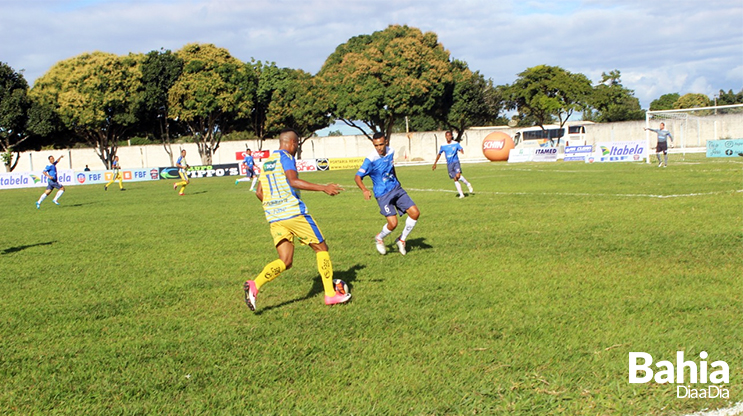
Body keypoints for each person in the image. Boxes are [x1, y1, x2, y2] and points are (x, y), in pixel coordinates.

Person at [243, 129, 350, 312]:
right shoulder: (286, 157)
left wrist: (275, 207)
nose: (296, 148)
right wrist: (323, 187)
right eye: (297, 144)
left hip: (274, 217)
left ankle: (255, 285)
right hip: (294, 214)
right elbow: (293, 181)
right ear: (292, 143)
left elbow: (259, 192)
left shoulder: (267, 161)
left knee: (285, 261)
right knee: (321, 248)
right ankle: (330, 294)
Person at [354, 132, 421, 256]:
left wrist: (396, 179)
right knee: (393, 224)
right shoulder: (371, 159)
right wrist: (364, 189)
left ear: (386, 142)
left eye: (381, 144)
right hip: (383, 195)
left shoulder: (391, 151)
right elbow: (357, 177)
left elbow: (391, 166)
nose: (379, 148)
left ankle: (401, 240)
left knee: (415, 213)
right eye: (376, 145)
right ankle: (379, 238)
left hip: (396, 188)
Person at [432, 130, 474, 198]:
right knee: (455, 178)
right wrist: (435, 163)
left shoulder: (455, 143)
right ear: (445, 137)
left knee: (458, 176)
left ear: (451, 136)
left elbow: (460, 148)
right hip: (449, 164)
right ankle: (461, 194)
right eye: (447, 136)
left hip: (456, 162)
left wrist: (461, 151)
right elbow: (439, 154)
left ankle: (468, 184)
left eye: (449, 135)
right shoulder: (443, 145)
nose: (448, 137)